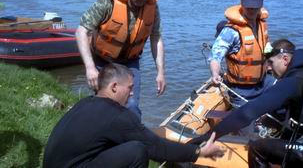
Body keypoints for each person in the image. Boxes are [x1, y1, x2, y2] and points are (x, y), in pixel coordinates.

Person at [190, 39, 303, 167]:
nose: (268, 68)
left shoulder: (293, 81)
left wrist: (207, 137)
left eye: (270, 62)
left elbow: (246, 113)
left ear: (285, 59)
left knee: (258, 148)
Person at [43, 64, 225, 168]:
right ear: (114, 87)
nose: (131, 94)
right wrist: (199, 152)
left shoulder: (84, 103)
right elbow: (157, 148)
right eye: (129, 88)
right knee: (137, 150)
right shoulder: (118, 116)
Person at [75, 0, 165, 120]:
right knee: (103, 105)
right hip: (102, 60)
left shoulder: (152, 7)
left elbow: (156, 37)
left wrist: (160, 72)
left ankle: (131, 141)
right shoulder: (108, 1)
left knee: (131, 106)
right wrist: (90, 68)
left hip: (130, 62)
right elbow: (81, 31)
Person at [209, 0, 275, 108]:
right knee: (247, 125)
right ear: (241, 3)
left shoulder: (262, 24)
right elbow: (215, 56)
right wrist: (215, 74)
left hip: (264, 81)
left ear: (261, 5)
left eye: (255, 7)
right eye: (248, 6)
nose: (251, 10)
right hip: (241, 89)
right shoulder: (231, 31)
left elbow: (267, 48)